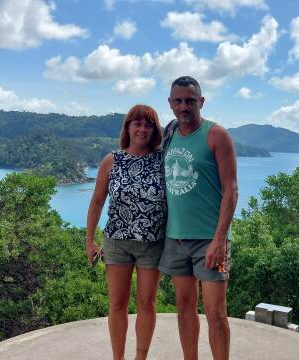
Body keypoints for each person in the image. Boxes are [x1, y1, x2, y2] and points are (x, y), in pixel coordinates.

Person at [158, 76, 238, 360]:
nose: (184, 106)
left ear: (201, 102)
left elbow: (231, 190)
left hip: (209, 239)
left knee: (216, 313)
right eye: (178, 101)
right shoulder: (168, 136)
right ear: (170, 103)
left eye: (190, 101)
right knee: (184, 307)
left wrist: (220, 240)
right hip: (175, 237)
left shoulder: (216, 135)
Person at [85, 104, 167, 360]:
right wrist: (89, 240)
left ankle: (140, 358)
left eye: (148, 124)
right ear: (128, 127)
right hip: (116, 242)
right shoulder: (112, 160)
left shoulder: (163, 159)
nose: (142, 129)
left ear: (155, 130)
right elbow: (97, 201)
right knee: (117, 304)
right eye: (137, 123)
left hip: (152, 243)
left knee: (147, 304)